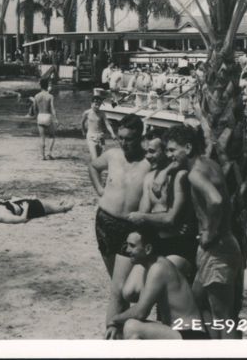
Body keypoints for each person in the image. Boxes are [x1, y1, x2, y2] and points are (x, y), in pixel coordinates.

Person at [164, 125, 242, 339]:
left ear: (187, 147)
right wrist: (165, 172)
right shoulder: (208, 164)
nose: (168, 155)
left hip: (217, 250)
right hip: (224, 246)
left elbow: (215, 200)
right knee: (198, 301)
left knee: (224, 318)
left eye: (172, 150)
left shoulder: (194, 175)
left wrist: (209, 232)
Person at [88, 113, 152, 339]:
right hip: (105, 222)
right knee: (116, 283)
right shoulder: (113, 155)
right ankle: (120, 332)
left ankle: (113, 329)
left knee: (121, 287)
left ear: (140, 137)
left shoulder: (149, 163)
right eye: (121, 138)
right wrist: (100, 190)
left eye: (130, 139)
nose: (124, 143)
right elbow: (94, 167)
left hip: (130, 228)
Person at [107, 228, 208, 340]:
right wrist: (118, 322)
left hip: (192, 336)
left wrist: (114, 320)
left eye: (132, 246)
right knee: (127, 327)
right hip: (180, 333)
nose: (127, 250)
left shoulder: (158, 268)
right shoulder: (151, 267)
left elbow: (140, 312)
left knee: (132, 327)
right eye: (127, 245)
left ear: (148, 249)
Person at [126, 130, 198, 279]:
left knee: (159, 284)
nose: (147, 156)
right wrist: (165, 222)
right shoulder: (149, 178)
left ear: (165, 152)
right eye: (145, 151)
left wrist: (147, 217)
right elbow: (141, 218)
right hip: (156, 242)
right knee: (130, 291)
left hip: (179, 245)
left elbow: (168, 218)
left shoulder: (181, 175)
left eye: (152, 151)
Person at [0, 199, 74, 225]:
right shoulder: (2, 217)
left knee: (48, 206)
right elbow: (23, 219)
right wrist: (26, 207)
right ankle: (65, 208)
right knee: (51, 210)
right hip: (30, 209)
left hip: (18, 203)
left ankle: (59, 205)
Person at [81, 91, 115, 160]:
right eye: (96, 104)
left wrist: (112, 133)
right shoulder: (87, 113)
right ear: (91, 103)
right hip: (91, 136)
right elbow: (82, 123)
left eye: (99, 105)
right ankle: (93, 167)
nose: (97, 106)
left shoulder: (102, 113)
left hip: (100, 136)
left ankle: (94, 168)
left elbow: (107, 124)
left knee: (99, 158)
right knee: (94, 158)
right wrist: (83, 131)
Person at [34, 78, 58, 160]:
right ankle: (49, 154)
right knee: (52, 136)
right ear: (47, 86)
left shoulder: (37, 96)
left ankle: (42, 156)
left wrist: (35, 116)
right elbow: (53, 108)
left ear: (40, 85)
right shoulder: (50, 96)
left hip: (40, 115)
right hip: (47, 116)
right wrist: (56, 119)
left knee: (42, 137)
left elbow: (35, 108)